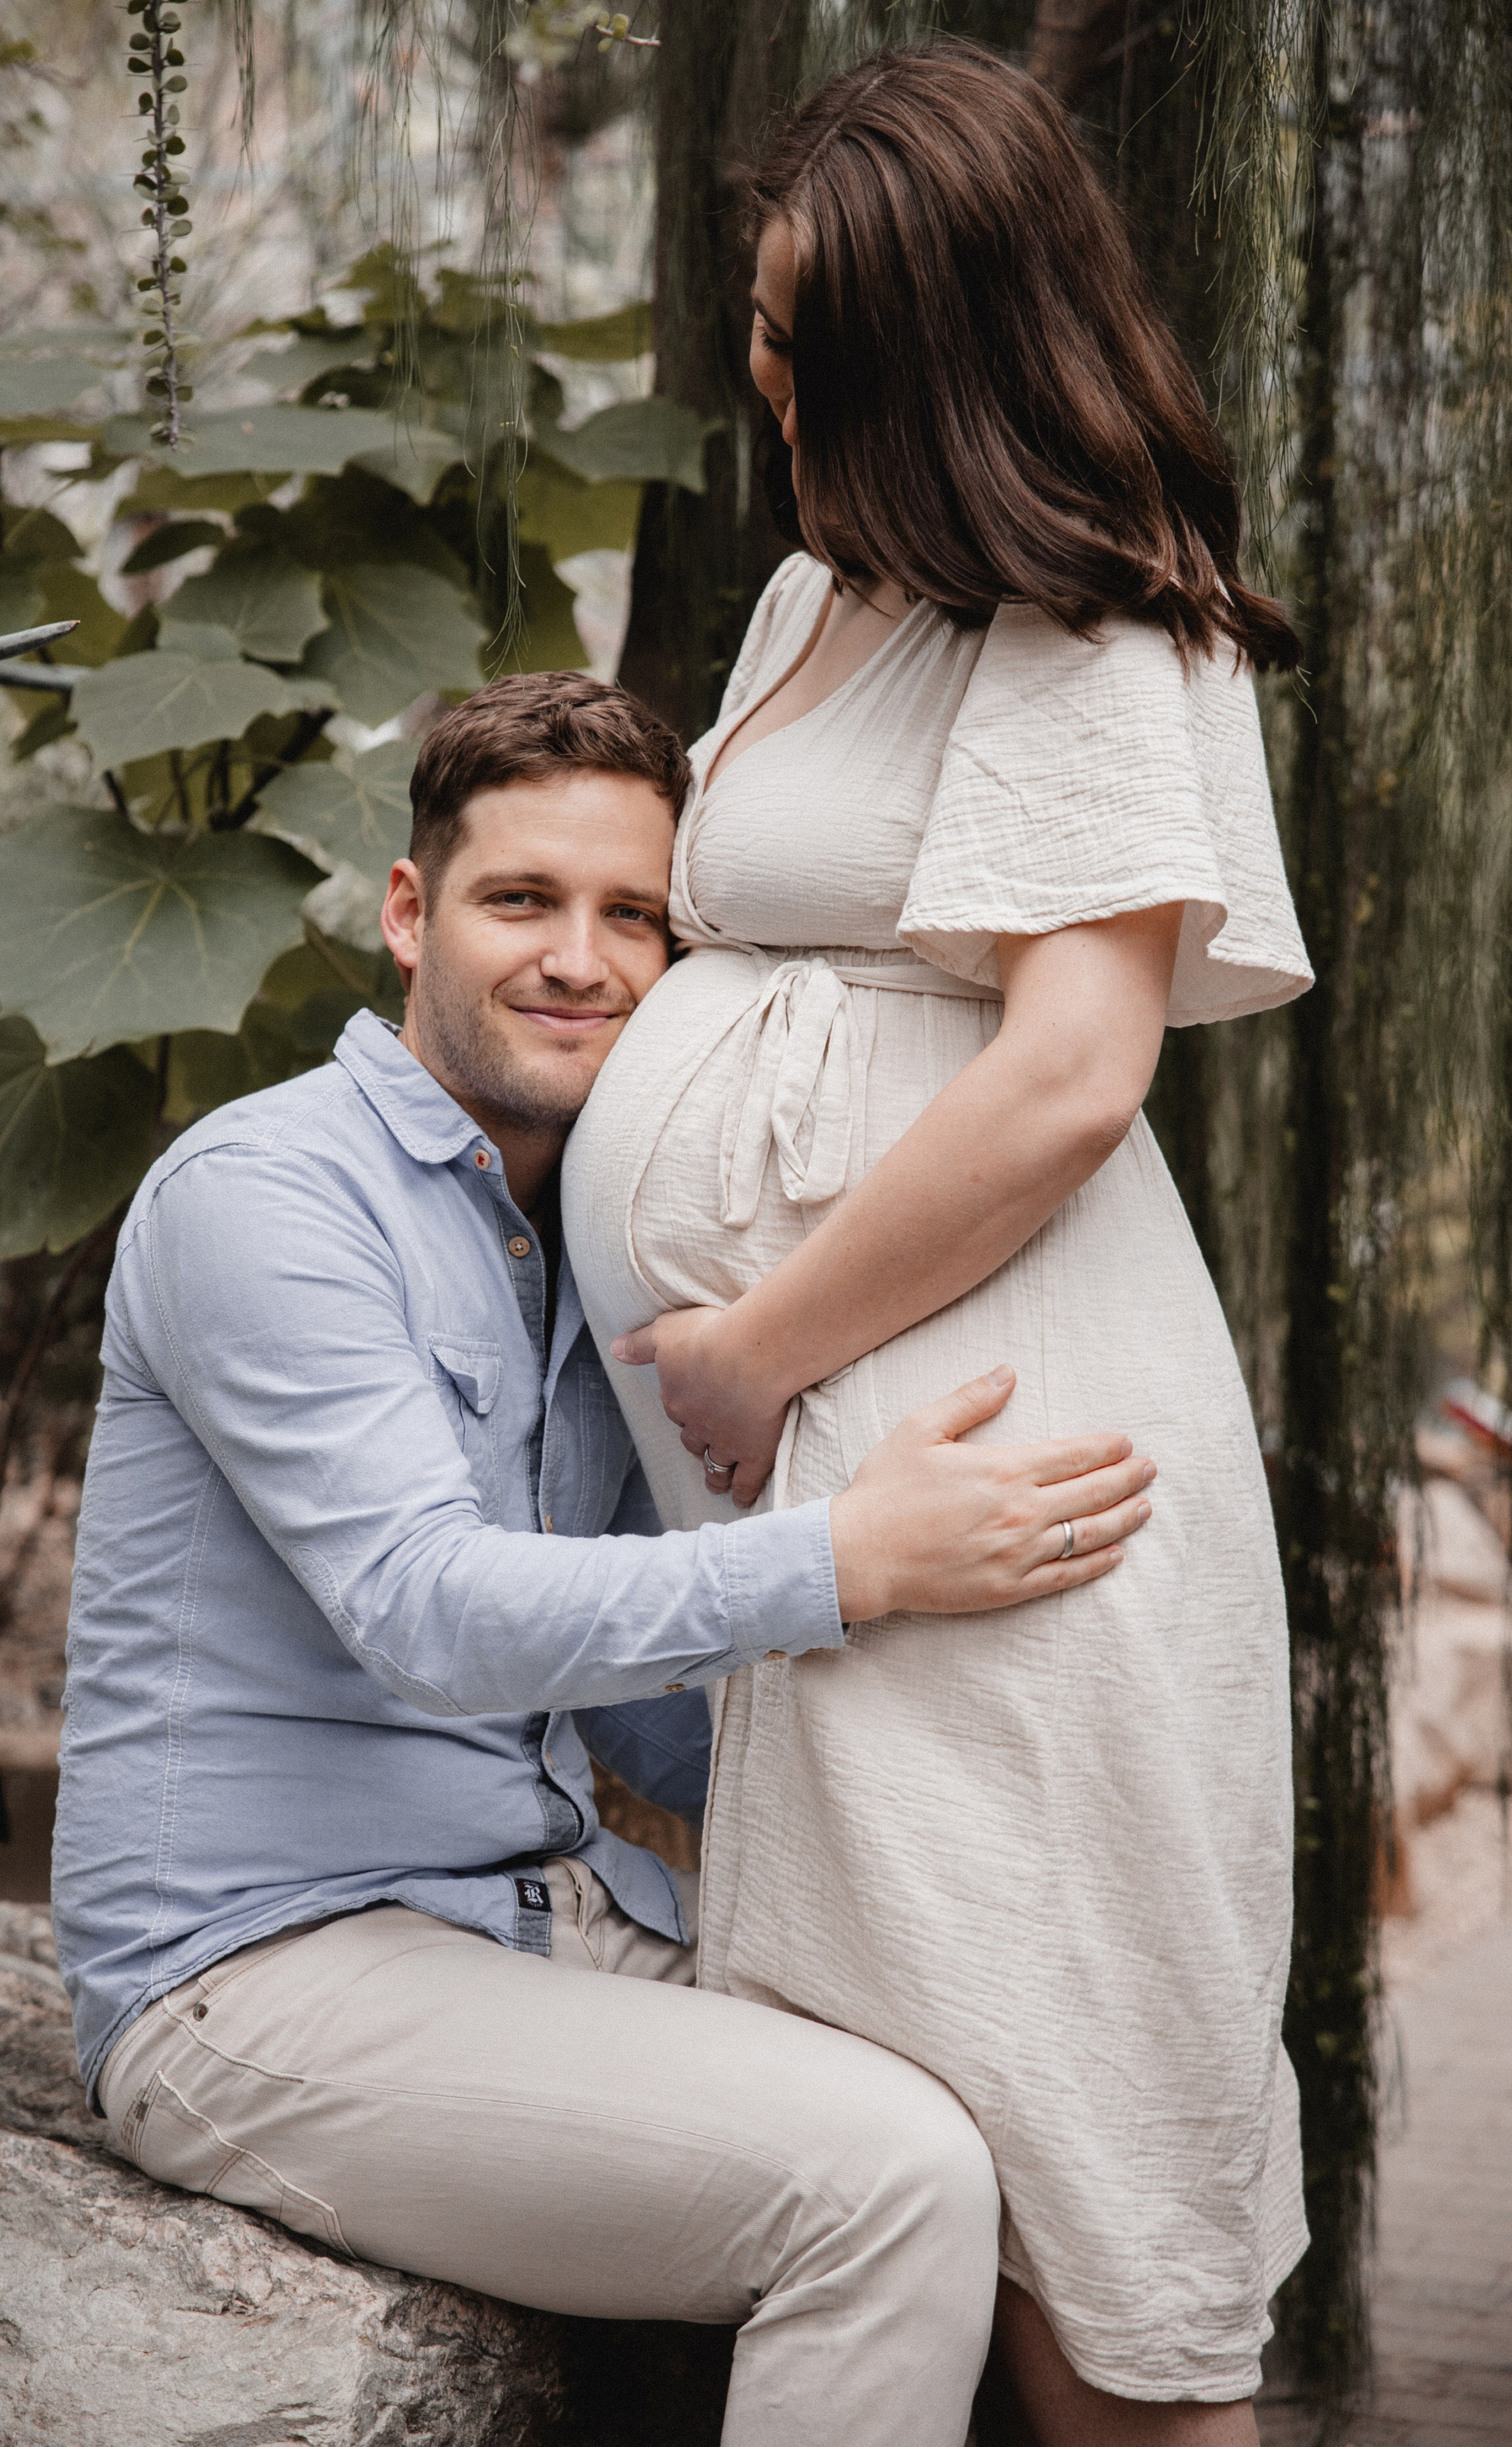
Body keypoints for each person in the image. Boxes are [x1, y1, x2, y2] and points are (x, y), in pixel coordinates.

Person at [51, 674, 1159, 2447]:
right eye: (521, 902)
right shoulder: (263, 1197)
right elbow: (435, 1615)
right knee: (885, 2187)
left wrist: (995, 1765)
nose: (581, 960)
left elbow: (647, 1730)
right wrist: (851, 1561)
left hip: (540, 1920)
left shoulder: (589, 1228)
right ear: (409, 915)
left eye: (631, 915)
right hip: (256, 1972)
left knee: (1015, 2093)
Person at [561, 42, 1314, 2446]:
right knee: (911, 2131)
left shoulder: (1093, 623)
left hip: (992, 1448)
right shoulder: (817, 594)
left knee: (1073, 2135)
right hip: (822, 1486)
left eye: (804, 332)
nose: (758, 367)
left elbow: (1076, 1072)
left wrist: (755, 1347)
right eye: (763, 312)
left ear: (937, 355)